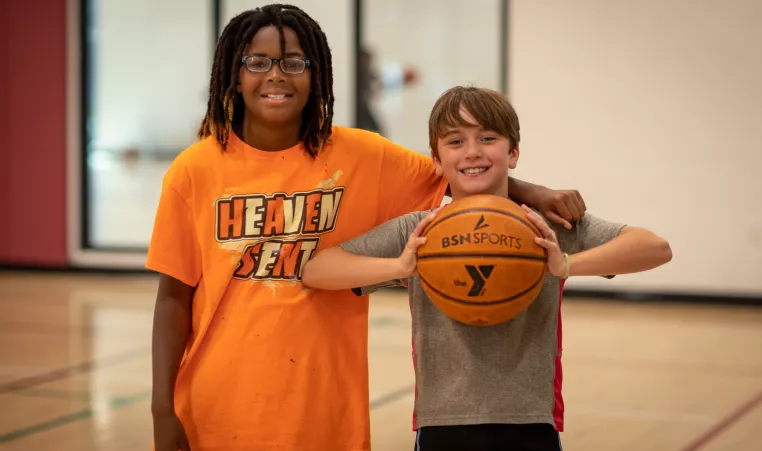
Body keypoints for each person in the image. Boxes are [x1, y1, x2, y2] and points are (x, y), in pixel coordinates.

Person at [147, 5, 588, 451]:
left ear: (317, 73)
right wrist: (162, 410)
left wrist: (533, 192)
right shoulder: (193, 171)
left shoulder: (363, 156)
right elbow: (172, 300)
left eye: (294, 62)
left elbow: (461, 174)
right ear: (232, 74)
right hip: (215, 405)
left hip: (325, 409)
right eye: (257, 62)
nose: (276, 75)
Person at [301, 86, 673, 451]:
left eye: (488, 138)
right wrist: (399, 265)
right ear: (436, 159)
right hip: (442, 420)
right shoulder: (417, 230)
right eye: (456, 141)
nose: (472, 152)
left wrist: (566, 264)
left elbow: (654, 248)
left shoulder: (545, 225)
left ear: (513, 153)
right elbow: (316, 270)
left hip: (531, 418)